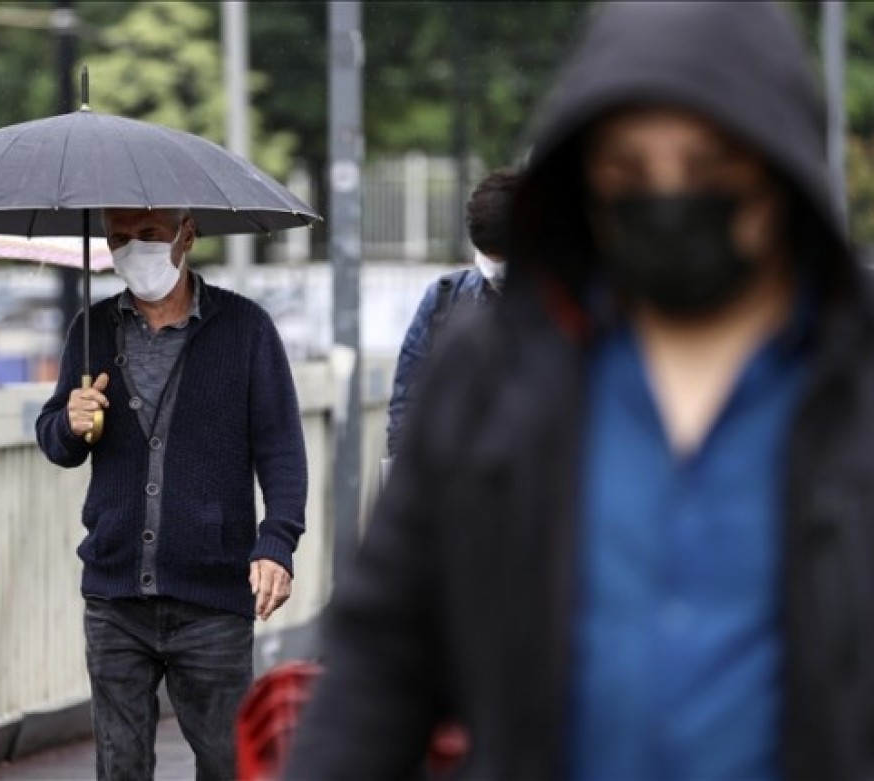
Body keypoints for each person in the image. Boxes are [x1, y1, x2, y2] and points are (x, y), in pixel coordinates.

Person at [285, 2, 874, 777]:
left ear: (779, 172)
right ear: (583, 181)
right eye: (629, 172)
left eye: (706, 171)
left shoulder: (853, 382)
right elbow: (379, 663)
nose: (668, 198)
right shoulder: (490, 381)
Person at [35, 208, 308, 780]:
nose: (134, 248)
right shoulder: (91, 330)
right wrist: (69, 421)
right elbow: (57, 441)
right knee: (120, 765)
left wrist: (276, 543)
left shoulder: (246, 328)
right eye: (119, 237)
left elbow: (281, 448)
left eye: (150, 235)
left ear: (188, 232)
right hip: (115, 593)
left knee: (227, 760)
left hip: (212, 594)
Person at [385, 167, 519, 457]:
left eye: (504, 258)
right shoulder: (444, 299)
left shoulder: (568, 311)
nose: (493, 269)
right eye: (487, 255)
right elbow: (407, 401)